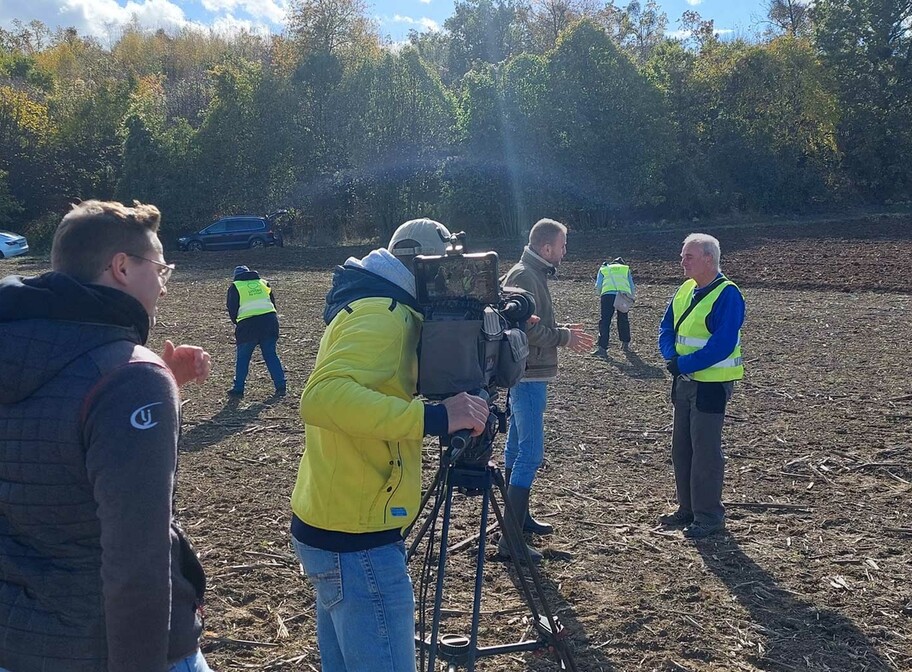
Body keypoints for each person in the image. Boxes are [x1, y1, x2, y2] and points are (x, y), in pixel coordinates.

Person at [0, 200, 213, 672]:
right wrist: (146, 383)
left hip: (19, 642)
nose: (163, 284)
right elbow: (137, 561)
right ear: (120, 267)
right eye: (161, 268)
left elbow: (49, 450)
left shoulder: (17, 351)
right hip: (105, 647)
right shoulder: (128, 377)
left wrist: (165, 388)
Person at [289, 218, 490, 672]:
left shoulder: (373, 304)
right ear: (418, 267)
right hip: (357, 539)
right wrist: (436, 417)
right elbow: (322, 397)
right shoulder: (385, 314)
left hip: (339, 521)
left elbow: (368, 386)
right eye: (443, 272)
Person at [499, 218, 594, 560]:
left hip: (527, 374)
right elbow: (527, 330)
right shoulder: (525, 275)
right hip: (528, 376)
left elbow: (533, 324)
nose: (565, 252)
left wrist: (562, 330)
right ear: (546, 248)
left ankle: (518, 521)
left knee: (516, 449)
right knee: (531, 453)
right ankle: (509, 540)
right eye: (562, 246)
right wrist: (564, 337)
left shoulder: (530, 273)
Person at [657, 233, 745, 539]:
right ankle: (688, 509)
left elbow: (722, 345)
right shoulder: (685, 289)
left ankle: (709, 517)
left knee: (706, 453)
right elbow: (666, 327)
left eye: (688, 256)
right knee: (682, 449)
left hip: (711, 385)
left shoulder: (728, 294)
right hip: (683, 383)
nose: (682, 262)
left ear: (709, 258)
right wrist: (671, 356)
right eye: (683, 256)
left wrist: (684, 364)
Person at [226, 265, 287, 398]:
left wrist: (238, 322)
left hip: (248, 326)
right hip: (270, 322)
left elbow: (232, 308)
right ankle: (281, 384)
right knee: (271, 355)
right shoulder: (263, 283)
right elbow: (272, 303)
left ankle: (238, 388)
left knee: (243, 358)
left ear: (236, 276)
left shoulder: (235, 286)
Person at [593, 256, 635, 357]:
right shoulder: (626, 269)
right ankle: (625, 343)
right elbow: (631, 286)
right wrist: (631, 297)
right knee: (623, 319)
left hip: (607, 295)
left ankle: (602, 348)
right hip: (622, 295)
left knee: (605, 321)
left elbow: (598, 285)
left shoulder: (604, 268)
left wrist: (601, 294)